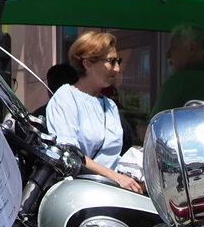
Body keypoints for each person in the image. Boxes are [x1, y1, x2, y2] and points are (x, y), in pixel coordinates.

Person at [45, 31, 142, 193]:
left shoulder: (109, 105)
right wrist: (115, 176)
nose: (117, 69)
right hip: (78, 194)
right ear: (88, 64)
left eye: (118, 61)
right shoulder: (66, 97)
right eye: (111, 62)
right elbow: (68, 155)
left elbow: (113, 157)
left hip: (111, 192)